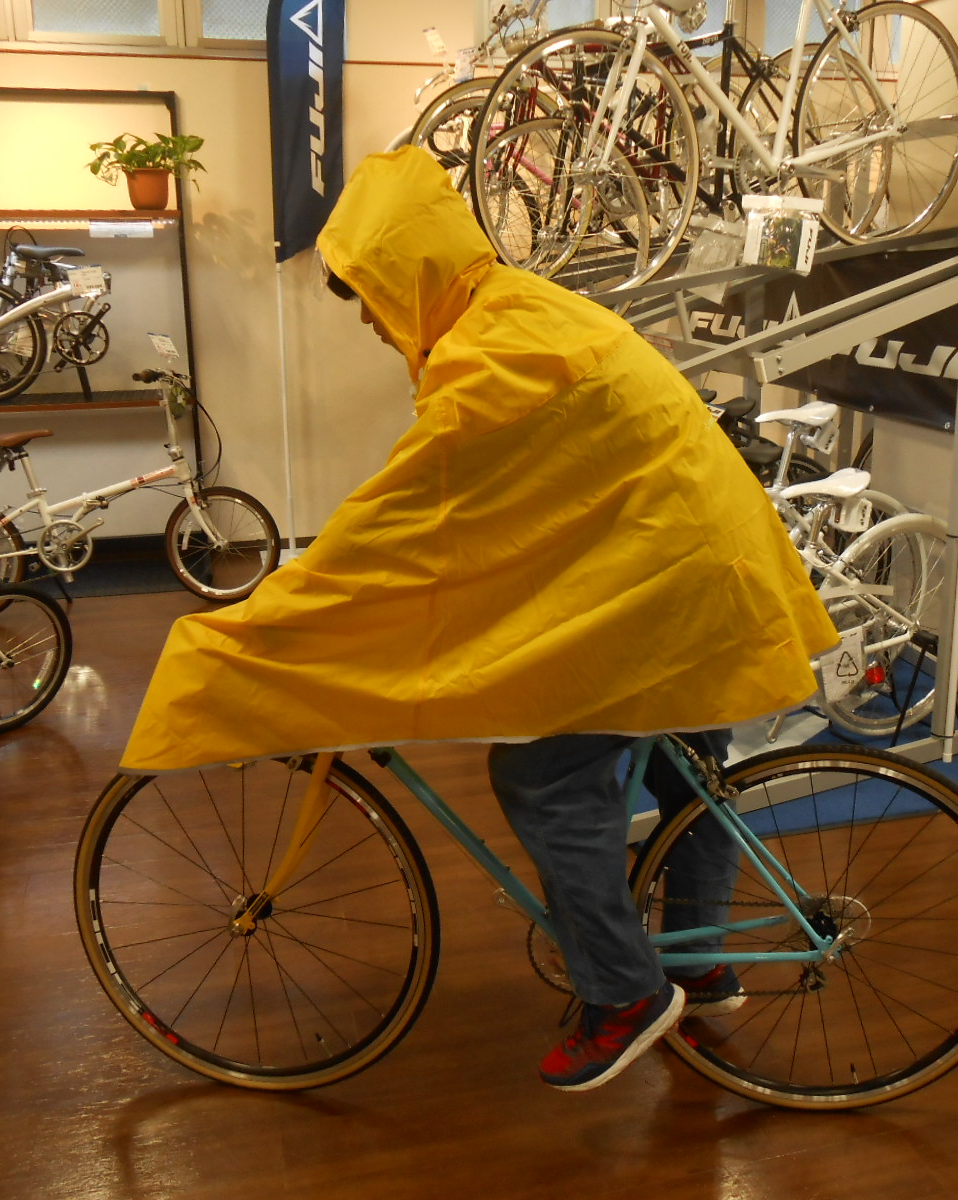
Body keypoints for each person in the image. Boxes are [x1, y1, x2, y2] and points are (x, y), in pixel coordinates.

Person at [120, 147, 838, 1092]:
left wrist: (277, 613)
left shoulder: (490, 355)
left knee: (543, 777)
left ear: (410, 271)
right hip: (703, 568)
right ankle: (699, 967)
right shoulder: (515, 316)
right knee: (690, 770)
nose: (375, 324)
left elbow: (415, 518)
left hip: (674, 576)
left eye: (373, 297)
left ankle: (627, 992)